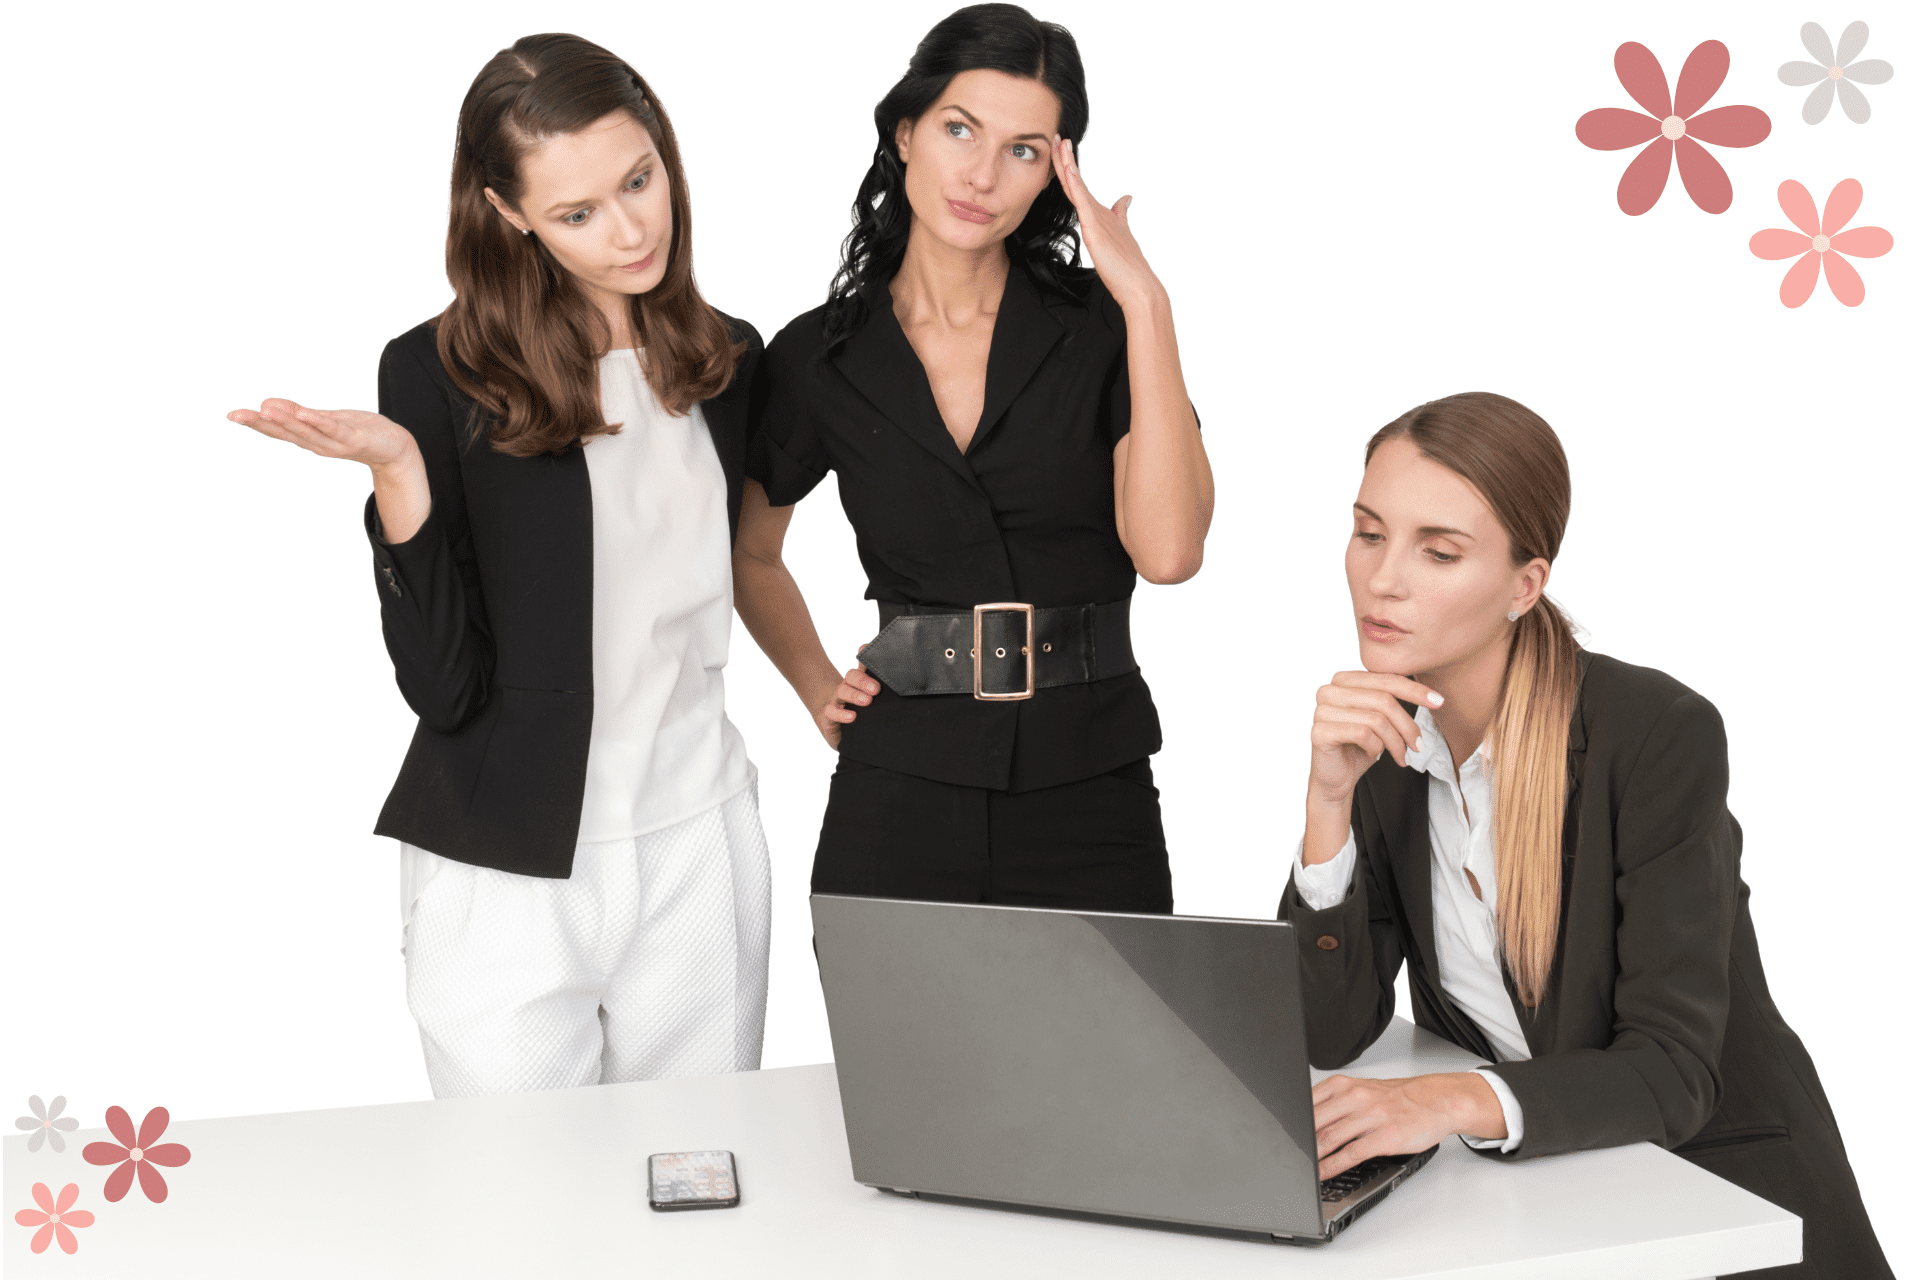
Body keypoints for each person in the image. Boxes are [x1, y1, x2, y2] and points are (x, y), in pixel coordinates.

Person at [227, 33, 771, 1098]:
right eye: (577, 213)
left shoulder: (729, 360)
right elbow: (445, 687)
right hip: (507, 862)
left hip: (700, 835)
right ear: (508, 211)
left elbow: (756, 560)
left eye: (639, 179)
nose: (628, 229)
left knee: (698, 1189)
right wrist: (399, 476)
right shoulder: (435, 372)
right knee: (520, 1205)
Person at [1283, 392, 1889, 1278]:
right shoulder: (1383, 744)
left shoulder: (1652, 734)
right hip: (1555, 1208)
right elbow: (1329, 1031)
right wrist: (1325, 806)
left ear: (1525, 585)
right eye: (1369, 533)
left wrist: (1443, 1100)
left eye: (1439, 551)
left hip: (1724, 1202)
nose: (1383, 579)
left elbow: (1672, 1070)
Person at [734, 3, 1212, 913]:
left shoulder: (1107, 328)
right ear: (906, 130)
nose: (983, 175)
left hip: (1091, 780)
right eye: (961, 129)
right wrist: (813, 684)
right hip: (897, 788)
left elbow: (1170, 553)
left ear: (1056, 173)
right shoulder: (815, 357)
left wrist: (1147, 302)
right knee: (897, 1060)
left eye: (1025, 149)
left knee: (1105, 1059)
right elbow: (749, 550)